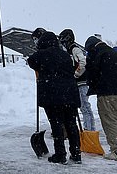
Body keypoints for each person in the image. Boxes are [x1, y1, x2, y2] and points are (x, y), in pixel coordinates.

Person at [27, 31, 82, 164]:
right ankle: (76, 154)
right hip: (70, 95)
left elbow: (31, 61)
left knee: (56, 125)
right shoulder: (65, 55)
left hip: (53, 97)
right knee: (71, 125)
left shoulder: (41, 54)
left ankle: (60, 155)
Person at [85, 35, 117, 160]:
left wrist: (92, 85)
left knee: (111, 121)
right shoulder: (116, 54)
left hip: (109, 94)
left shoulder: (97, 55)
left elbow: (92, 74)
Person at [58, 29, 95, 131]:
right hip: (76, 83)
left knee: (84, 106)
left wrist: (76, 74)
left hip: (81, 82)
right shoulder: (69, 50)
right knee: (82, 106)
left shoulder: (75, 49)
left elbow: (82, 63)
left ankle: (89, 129)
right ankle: (89, 127)